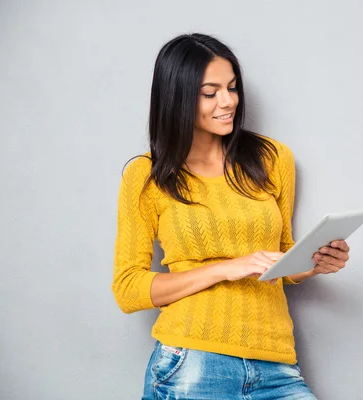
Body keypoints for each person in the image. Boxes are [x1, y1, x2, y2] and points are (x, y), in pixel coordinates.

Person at [112, 33, 351, 400]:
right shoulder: (147, 175)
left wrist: (315, 263)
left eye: (232, 88)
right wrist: (225, 267)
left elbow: (281, 259)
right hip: (192, 363)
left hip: (275, 364)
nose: (228, 102)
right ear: (178, 97)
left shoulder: (272, 158)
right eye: (210, 93)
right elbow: (127, 289)